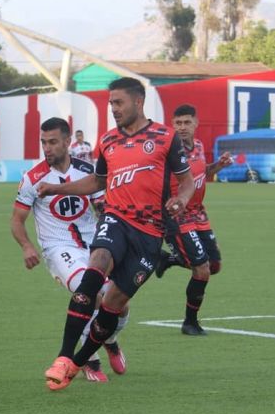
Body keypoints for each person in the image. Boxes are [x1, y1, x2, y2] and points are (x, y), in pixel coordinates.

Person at [36, 77, 194, 391]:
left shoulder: (165, 137)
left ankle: (78, 362)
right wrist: (57, 187)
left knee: (113, 305)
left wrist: (182, 199)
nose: (113, 109)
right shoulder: (108, 141)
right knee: (93, 273)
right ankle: (64, 357)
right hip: (116, 220)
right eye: (111, 103)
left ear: (138, 102)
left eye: (118, 103)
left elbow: (186, 180)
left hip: (149, 235)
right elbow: (97, 182)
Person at [11, 117, 129, 383]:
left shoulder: (87, 170)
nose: (47, 147)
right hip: (59, 249)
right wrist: (27, 245)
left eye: (53, 142)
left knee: (120, 303)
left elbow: (102, 203)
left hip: (95, 246)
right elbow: (17, 219)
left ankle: (109, 339)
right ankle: (90, 360)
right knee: (90, 295)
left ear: (67, 142)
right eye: (43, 142)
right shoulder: (33, 178)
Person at [154, 104, 233, 336]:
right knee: (202, 269)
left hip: (199, 214)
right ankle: (190, 322)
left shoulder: (198, 146)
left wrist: (217, 166)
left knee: (214, 265)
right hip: (177, 217)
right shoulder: (168, 153)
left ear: (196, 123)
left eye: (187, 122)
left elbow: (200, 173)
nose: (182, 127)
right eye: (177, 123)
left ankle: (167, 260)